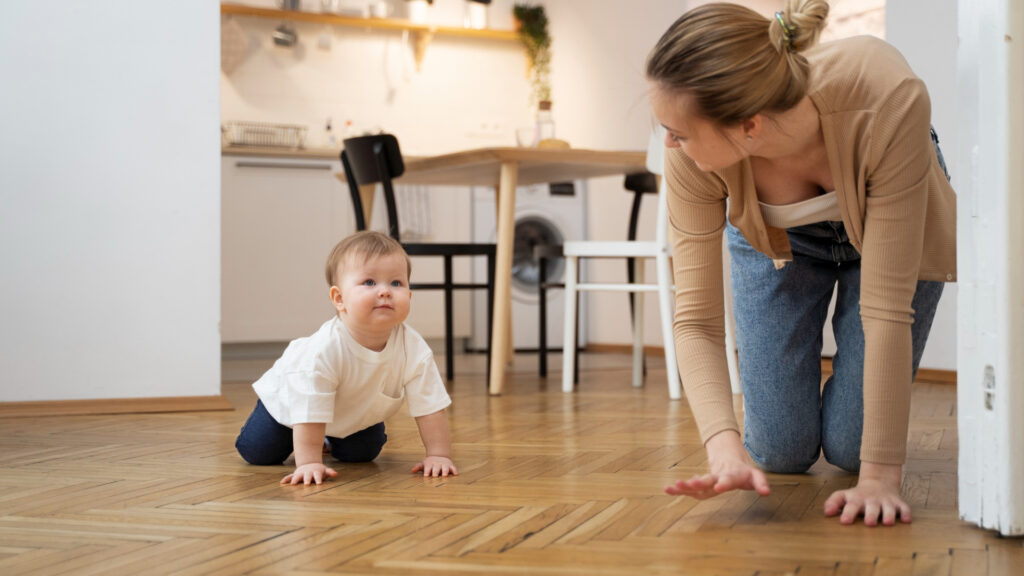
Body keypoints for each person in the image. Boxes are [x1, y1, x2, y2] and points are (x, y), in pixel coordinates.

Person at [646, 0, 955, 526]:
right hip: (780, 243)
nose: (667, 144)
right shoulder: (690, 156)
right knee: (778, 452)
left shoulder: (889, 97)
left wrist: (880, 478)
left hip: (892, 208)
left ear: (749, 126)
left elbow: (886, 310)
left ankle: (858, 435)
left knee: (855, 451)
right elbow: (696, 320)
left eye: (679, 131)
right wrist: (723, 449)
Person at [235, 230, 458, 485]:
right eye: (370, 282)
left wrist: (438, 455)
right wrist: (309, 463)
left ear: (409, 295)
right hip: (288, 407)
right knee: (259, 453)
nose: (385, 291)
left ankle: (327, 440)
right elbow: (309, 410)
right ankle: (305, 441)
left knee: (362, 454)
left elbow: (430, 407)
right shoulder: (324, 350)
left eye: (396, 283)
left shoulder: (414, 348)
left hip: (351, 415)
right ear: (339, 299)